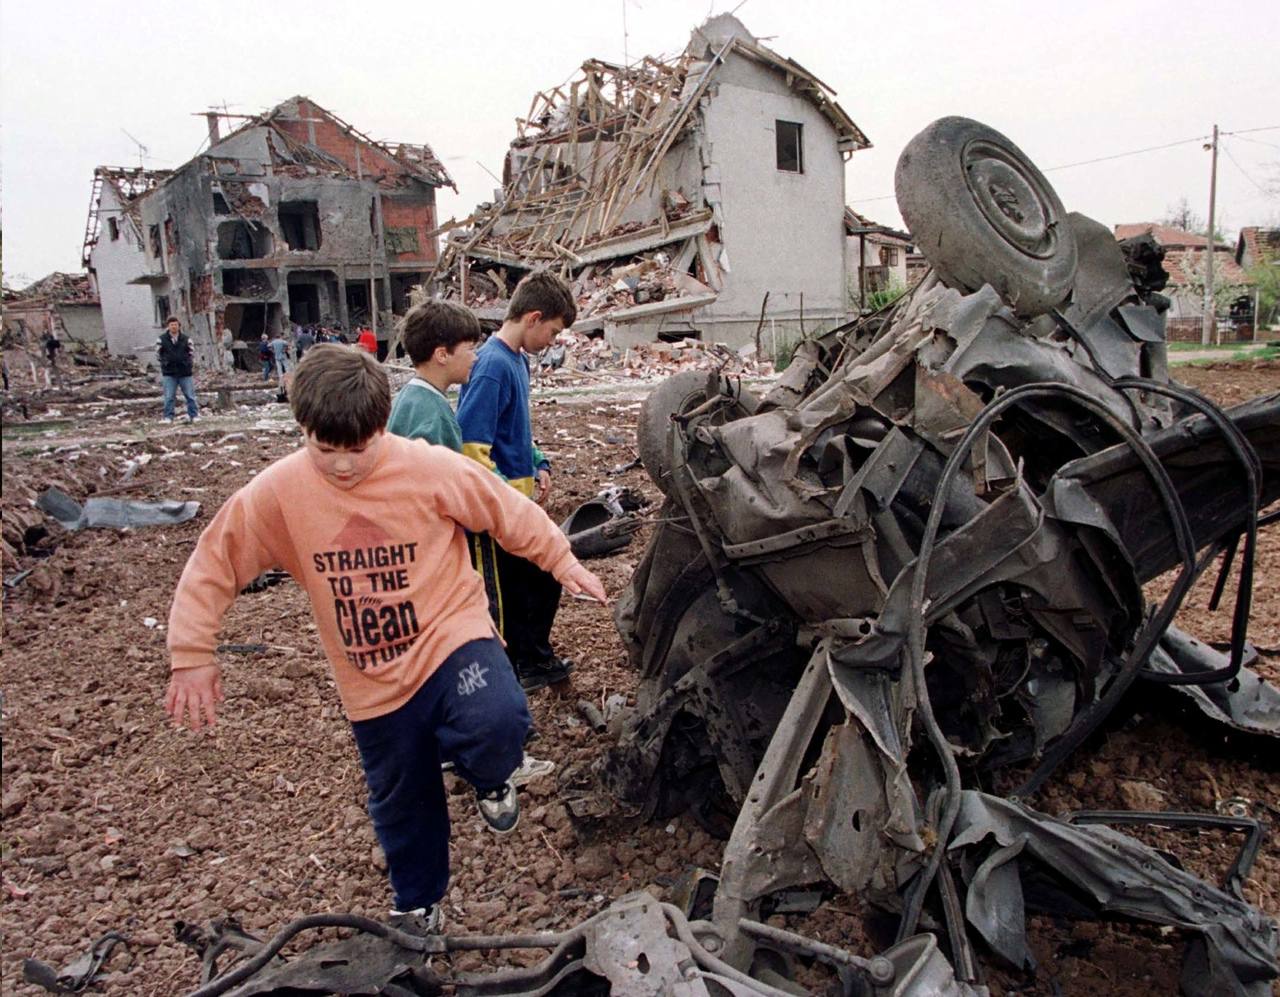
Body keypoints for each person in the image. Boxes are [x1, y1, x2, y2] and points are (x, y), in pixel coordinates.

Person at [163, 344, 607, 932]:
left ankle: (490, 775)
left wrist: (562, 560)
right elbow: (213, 564)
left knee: (498, 720)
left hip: (452, 638)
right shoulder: (277, 495)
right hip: (371, 677)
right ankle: (419, 905)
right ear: (303, 430)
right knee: (402, 799)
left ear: (382, 426)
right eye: (327, 451)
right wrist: (192, 654)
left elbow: (505, 510)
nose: (344, 466)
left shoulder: (426, 467)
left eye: (360, 449)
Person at [457, 271, 575, 690]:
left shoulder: (517, 361)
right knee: (506, 595)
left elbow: (515, 429)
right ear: (534, 317)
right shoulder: (491, 366)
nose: (553, 342)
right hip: (498, 511)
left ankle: (533, 660)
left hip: (516, 506)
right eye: (554, 332)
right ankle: (514, 671)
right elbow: (472, 447)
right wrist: (507, 500)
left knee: (541, 579)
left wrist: (539, 460)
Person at [157, 316, 199, 424]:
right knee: (169, 396)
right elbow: (158, 354)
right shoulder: (161, 339)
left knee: (190, 395)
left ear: (179, 326)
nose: (174, 327)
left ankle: (194, 415)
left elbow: (191, 353)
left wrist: (187, 363)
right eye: (171, 325)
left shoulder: (186, 339)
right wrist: (165, 363)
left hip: (185, 372)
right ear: (168, 326)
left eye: (175, 324)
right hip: (169, 372)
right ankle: (168, 417)